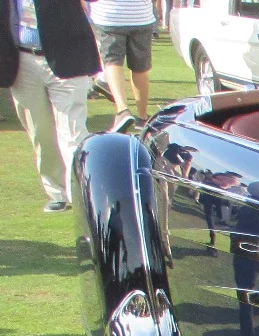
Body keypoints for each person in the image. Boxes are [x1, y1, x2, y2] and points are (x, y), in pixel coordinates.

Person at [3, 0, 100, 212]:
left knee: (73, 134)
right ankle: (57, 192)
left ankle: (82, 193)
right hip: (22, 59)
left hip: (68, 55)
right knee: (41, 134)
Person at [85, 0, 153, 118]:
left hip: (109, 14)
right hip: (141, 14)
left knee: (112, 61)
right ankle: (142, 116)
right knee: (140, 68)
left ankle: (122, 109)